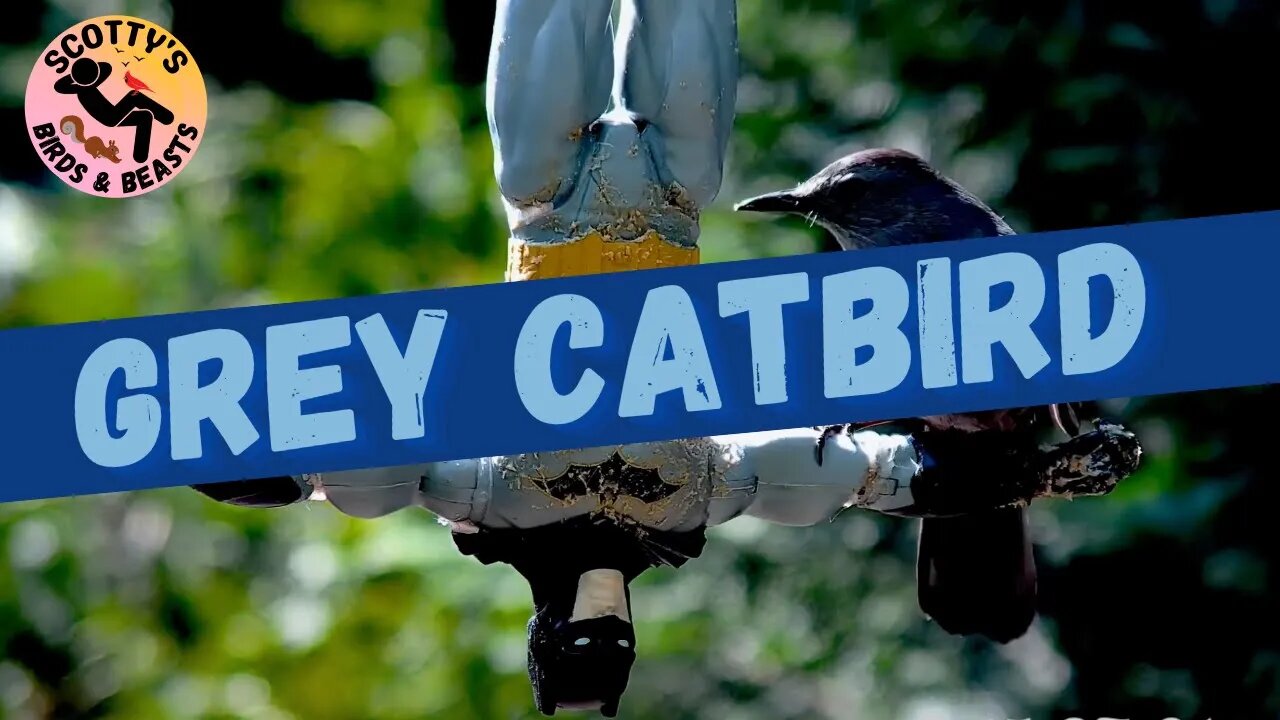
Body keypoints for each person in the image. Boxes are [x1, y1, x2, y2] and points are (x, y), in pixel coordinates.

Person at [191, 1, 1141, 714]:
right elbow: (837, 473)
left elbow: (366, 465)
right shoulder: (692, 495)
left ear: (547, 626)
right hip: (675, 203)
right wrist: (1023, 470)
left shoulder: (489, 492)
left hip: (549, 201)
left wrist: (253, 446)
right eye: (612, 649)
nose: (603, 631)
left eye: (578, 643)